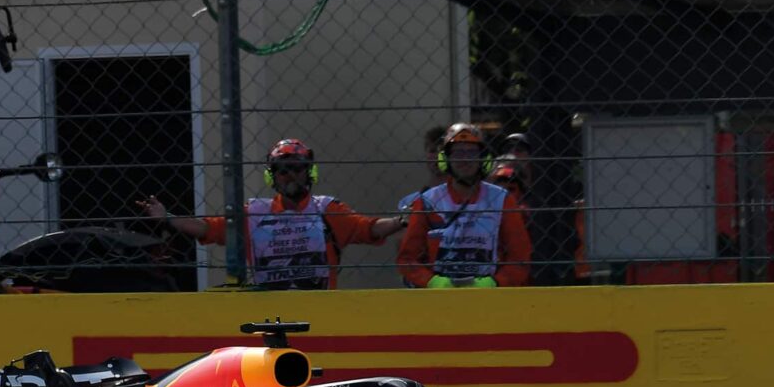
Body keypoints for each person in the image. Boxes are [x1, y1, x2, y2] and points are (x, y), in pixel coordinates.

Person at [138, 138, 403, 290]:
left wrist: (402, 220)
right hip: (269, 313)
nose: (290, 175)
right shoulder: (255, 213)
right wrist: (168, 217)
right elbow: (210, 229)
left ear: (309, 172)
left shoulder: (327, 210)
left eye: (297, 168)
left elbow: (369, 229)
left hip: (320, 309)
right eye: (282, 170)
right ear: (272, 176)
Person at [396, 122, 532, 288]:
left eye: (472, 152)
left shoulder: (502, 199)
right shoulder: (428, 201)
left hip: (490, 294)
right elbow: (407, 259)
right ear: (445, 159)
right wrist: (432, 282)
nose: (465, 158)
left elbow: (520, 257)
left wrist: (495, 282)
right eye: (458, 152)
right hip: (440, 295)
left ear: (483, 158)